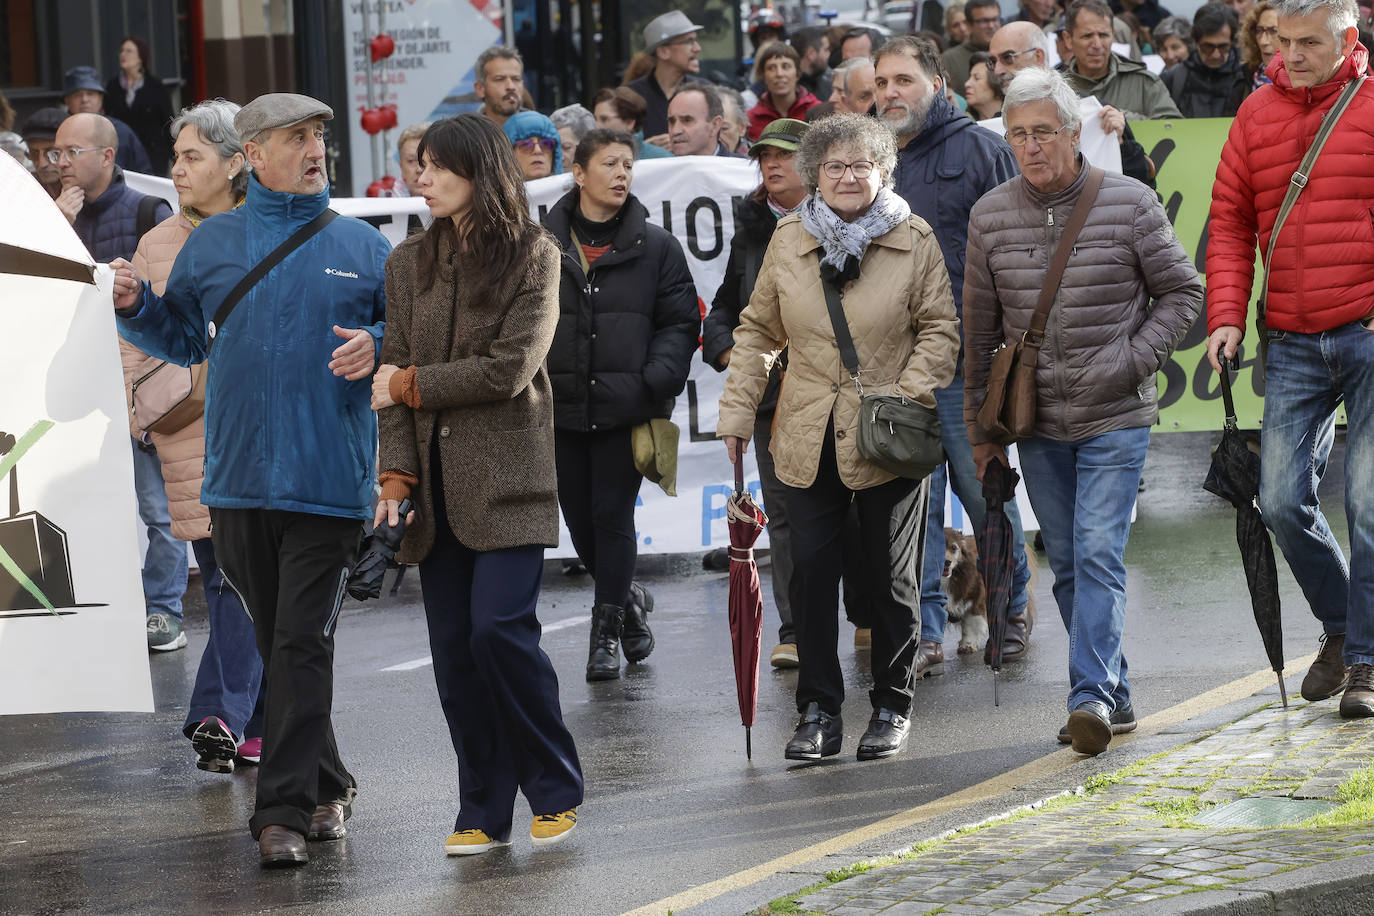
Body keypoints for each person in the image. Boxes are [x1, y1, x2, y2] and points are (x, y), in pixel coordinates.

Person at [111, 92, 390, 867]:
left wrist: (376, 340)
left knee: (301, 643)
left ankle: (284, 811)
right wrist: (136, 306)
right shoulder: (214, 243)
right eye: (296, 138)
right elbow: (177, 333)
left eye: (320, 137)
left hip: (329, 484)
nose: (314, 150)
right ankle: (329, 780)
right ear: (254, 155)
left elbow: (407, 334)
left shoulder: (365, 247)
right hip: (234, 484)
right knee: (279, 642)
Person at [964, 68, 1202, 756]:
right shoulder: (990, 215)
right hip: (1034, 422)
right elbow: (979, 333)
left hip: (1116, 413)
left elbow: (1182, 294)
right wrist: (986, 437)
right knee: (1066, 560)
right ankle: (1115, 691)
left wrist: (1131, 361)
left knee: (1098, 551)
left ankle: (1087, 695)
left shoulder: (1128, 201)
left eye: (1044, 131)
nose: (1031, 145)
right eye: (1018, 134)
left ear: (1074, 132)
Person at [718, 113, 961, 762]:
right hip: (804, 432)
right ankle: (819, 710)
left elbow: (940, 332)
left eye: (861, 166)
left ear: (882, 172)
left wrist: (904, 398)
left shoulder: (915, 239)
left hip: (889, 436)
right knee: (811, 577)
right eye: (835, 167)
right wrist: (738, 413)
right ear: (815, 175)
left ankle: (891, 702)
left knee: (889, 579)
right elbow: (757, 333)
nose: (849, 176)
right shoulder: (789, 238)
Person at [371, 115, 584, 855]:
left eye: (434, 166)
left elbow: (509, 368)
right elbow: (386, 379)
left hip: (509, 481)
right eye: (417, 166)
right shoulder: (406, 263)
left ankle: (554, 788)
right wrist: (395, 475)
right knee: (457, 656)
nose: (419, 177)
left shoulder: (536, 254)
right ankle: (483, 808)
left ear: (478, 170)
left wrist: (410, 385)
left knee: (499, 634)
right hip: (430, 489)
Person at [1205, 0, 1374, 719]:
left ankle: (1364, 662)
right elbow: (1230, 222)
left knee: (1368, 501)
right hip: (1293, 336)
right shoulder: (1256, 115)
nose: (1293, 53)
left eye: (1310, 42)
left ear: (1348, 40)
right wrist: (1225, 318)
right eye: (1284, 41)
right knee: (1278, 500)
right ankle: (1343, 627)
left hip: (1367, 329)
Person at [874, 35, 1032, 677]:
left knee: (985, 497)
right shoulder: (870, 160)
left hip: (968, 368)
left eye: (903, 81)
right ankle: (927, 631)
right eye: (881, 83)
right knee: (915, 510)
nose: (889, 94)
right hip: (899, 369)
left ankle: (1012, 613)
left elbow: (1019, 252)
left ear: (937, 83)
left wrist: (1005, 354)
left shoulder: (982, 150)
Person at [126, 99, 265, 771]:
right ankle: (229, 716)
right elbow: (134, 342)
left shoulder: (269, 231)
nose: (176, 169)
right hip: (190, 432)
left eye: (192, 157)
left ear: (237, 163)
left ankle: (230, 716)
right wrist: (146, 420)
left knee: (239, 582)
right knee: (230, 579)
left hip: (264, 435)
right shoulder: (156, 245)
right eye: (175, 157)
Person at [542, 129, 701, 682]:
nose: (621, 174)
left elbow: (681, 322)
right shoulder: (539, 245)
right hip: (558, 410)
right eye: (609, 164)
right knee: (579, 523)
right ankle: (629, 602)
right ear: (578, 173)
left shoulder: (655, 246)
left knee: (611, 516)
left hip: (624, 408)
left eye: (628, 165)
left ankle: (605, 632)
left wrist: (654, 380)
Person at [53, 112, 183, 650]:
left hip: (139, 384)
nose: (59, 162)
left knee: (158, 507)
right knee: (85, 503)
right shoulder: (52, 213)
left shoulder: (148, 210)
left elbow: (170, 303)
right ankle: (105, 609)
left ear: (107, 156)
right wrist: (54, 224)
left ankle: (164, 611)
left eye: (71, 152)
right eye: (54, 153)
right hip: (79, 383)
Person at [702, 118, 811, 669]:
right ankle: (794, 631)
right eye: (764, 155)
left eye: (784, 156)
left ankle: (866, 615)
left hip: (835, 395)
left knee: (858, 513)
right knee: (785, 516)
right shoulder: (751, 227)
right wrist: (727, 352)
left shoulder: (842, 219)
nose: (771, 164)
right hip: (772, 399)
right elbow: (725, 306)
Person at [1062, 0, 1183, 120]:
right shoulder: (1056, 88)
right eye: (1087, 36)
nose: (1097, 44)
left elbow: (1175, 129)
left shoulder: (1144, 84)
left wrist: (1125, 121)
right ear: (1068, 39)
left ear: (1113, 35)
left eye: (1104, 35)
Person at [626, 10, 705, 144]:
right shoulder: (629, 96)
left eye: (696, 40)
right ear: (663, 52)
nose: (697, 48)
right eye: (689, 41)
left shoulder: (705, 92)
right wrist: (644, 150)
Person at [1161, 3, 1250, 116]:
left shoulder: (1247, 76)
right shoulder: (1173, 79)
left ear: (1232, 42)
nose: (1216, 55)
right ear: (1196, 42)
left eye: (1223, 47)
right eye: (1208, 47)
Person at [103, 35, 174, 175]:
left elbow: (168, 123)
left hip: (153, 155)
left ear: (141, 58)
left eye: (129, 51)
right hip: (123, 153)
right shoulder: (112, 87)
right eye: (122, 51)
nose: (123, 54)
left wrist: (173, 154)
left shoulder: (155, 87)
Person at [61, 65, 151, 173]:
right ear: (67, 100)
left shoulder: (121, 132)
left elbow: (144, 174)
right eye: (78, 95)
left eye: (90, 94)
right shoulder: (57, 133)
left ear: (101, 98)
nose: (85, 99)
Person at [748, 42, 823, 140]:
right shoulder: (751, 119)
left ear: (798, 73)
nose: (779, 74)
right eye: (772, 68)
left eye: (786, 66)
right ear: (764, 76)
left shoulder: (819, 113)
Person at [591, 86, 674, 159]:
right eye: (595, 119)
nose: (596, 126)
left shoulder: (662, 158)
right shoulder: (590, 158)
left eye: (604, 119)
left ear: (629, 122)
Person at [944, 0, 1003, 91]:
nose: (991, 25)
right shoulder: (950, 59)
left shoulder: (1011, 52)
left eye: (995, 19)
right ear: (969, 24)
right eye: (984, 21)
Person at [667, 84, 736, 156]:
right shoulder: (660, 166)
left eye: (687, 120)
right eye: (672, 121)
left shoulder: (742, 166)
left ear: (715, 125)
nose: (675, 131)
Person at [19, 107, 65, 198]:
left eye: (53, 153)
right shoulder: (22, 190)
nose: (41, 164)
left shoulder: (91, 191)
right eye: (34, 154)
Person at [503, 110, 562, 179]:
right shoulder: (493, 190)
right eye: (526, 145)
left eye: (546, 144)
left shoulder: (574, 188)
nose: (538, 150)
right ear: (508, 155)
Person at [474, 46, 525, 127]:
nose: (511, 86)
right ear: (480, 89)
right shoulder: (466, 136)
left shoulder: (541, 130)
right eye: (500, 79)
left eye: (516, 79)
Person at [397, 121, 433, 235]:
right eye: (411, 161)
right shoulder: (379, 209)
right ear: (401, 166)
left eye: (427, 161)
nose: (419, 169)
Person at [1239, 0, 1279, 89]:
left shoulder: (1306, 82)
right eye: (1259, 30)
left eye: (1274, 31)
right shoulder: (1244, 76)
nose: (1263, 41)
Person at [792, 26, 835, 102]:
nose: (829, 54)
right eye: (825, 50)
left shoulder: (826, 83)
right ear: (811, 54)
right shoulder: (790, 90)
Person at [965, 51, 1007, 118]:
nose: (967, 84)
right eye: (970, 77)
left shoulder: (1016, 123)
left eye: (977, 78)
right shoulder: (963, 124)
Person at [718, 86, 753, 154]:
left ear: (742, 128)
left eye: (724, 128)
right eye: (708, 129)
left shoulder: (757, 161)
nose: (715, 137)